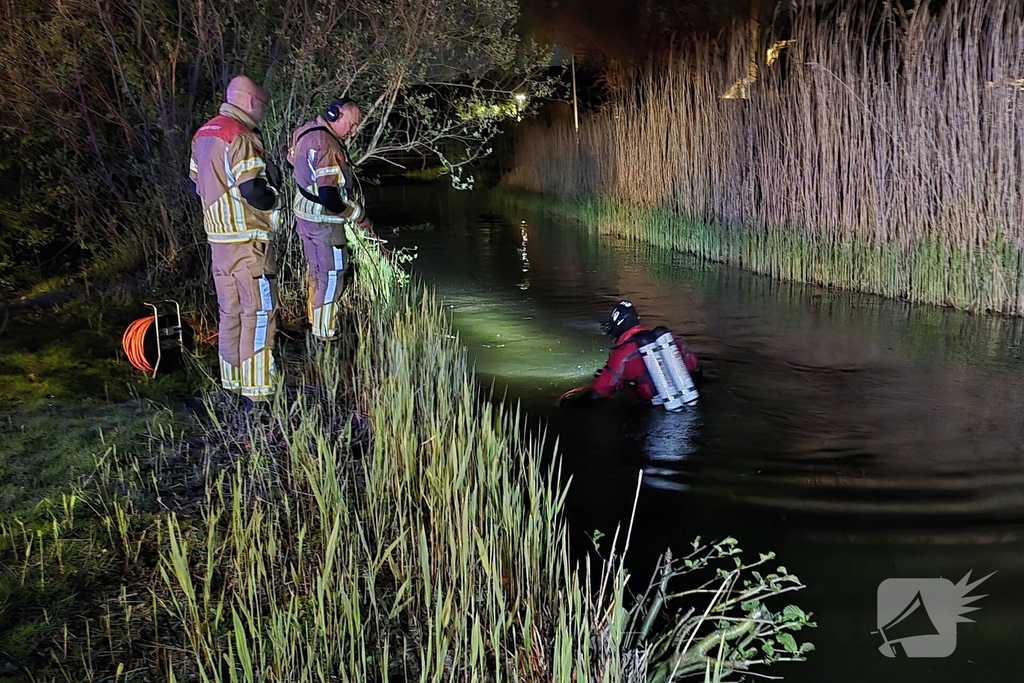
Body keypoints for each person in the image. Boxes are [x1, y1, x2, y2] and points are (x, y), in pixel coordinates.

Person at [189, 75, 283, 406]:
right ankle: (258, 396)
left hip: (219, 242)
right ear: (250, 101)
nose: (262, 110)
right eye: (261, 103)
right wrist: (275, 200)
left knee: (229, 313)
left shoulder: (203, 134)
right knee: (258, 314)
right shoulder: (240, 136)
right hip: (249, 243)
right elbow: (253, 190)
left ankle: (231, 386)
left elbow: (195, 183)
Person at [287, 96, 372, 341]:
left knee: (316, 271)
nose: (353, 131)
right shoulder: (327, 145)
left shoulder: (305, 131)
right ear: (336, 115)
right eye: (352, 123)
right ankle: (324, 332)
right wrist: (357, 214)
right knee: (333, 272)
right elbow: (330, 198)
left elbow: (289, 160)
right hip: (325, 223)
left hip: (303, 218)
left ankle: (315, 321)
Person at [571, 300, 702, 409]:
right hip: (693, 400)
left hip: (659, 412)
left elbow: (599, 393)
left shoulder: (622, 355)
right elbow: (695, 367)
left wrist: (573, 404)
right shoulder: (669, 340)